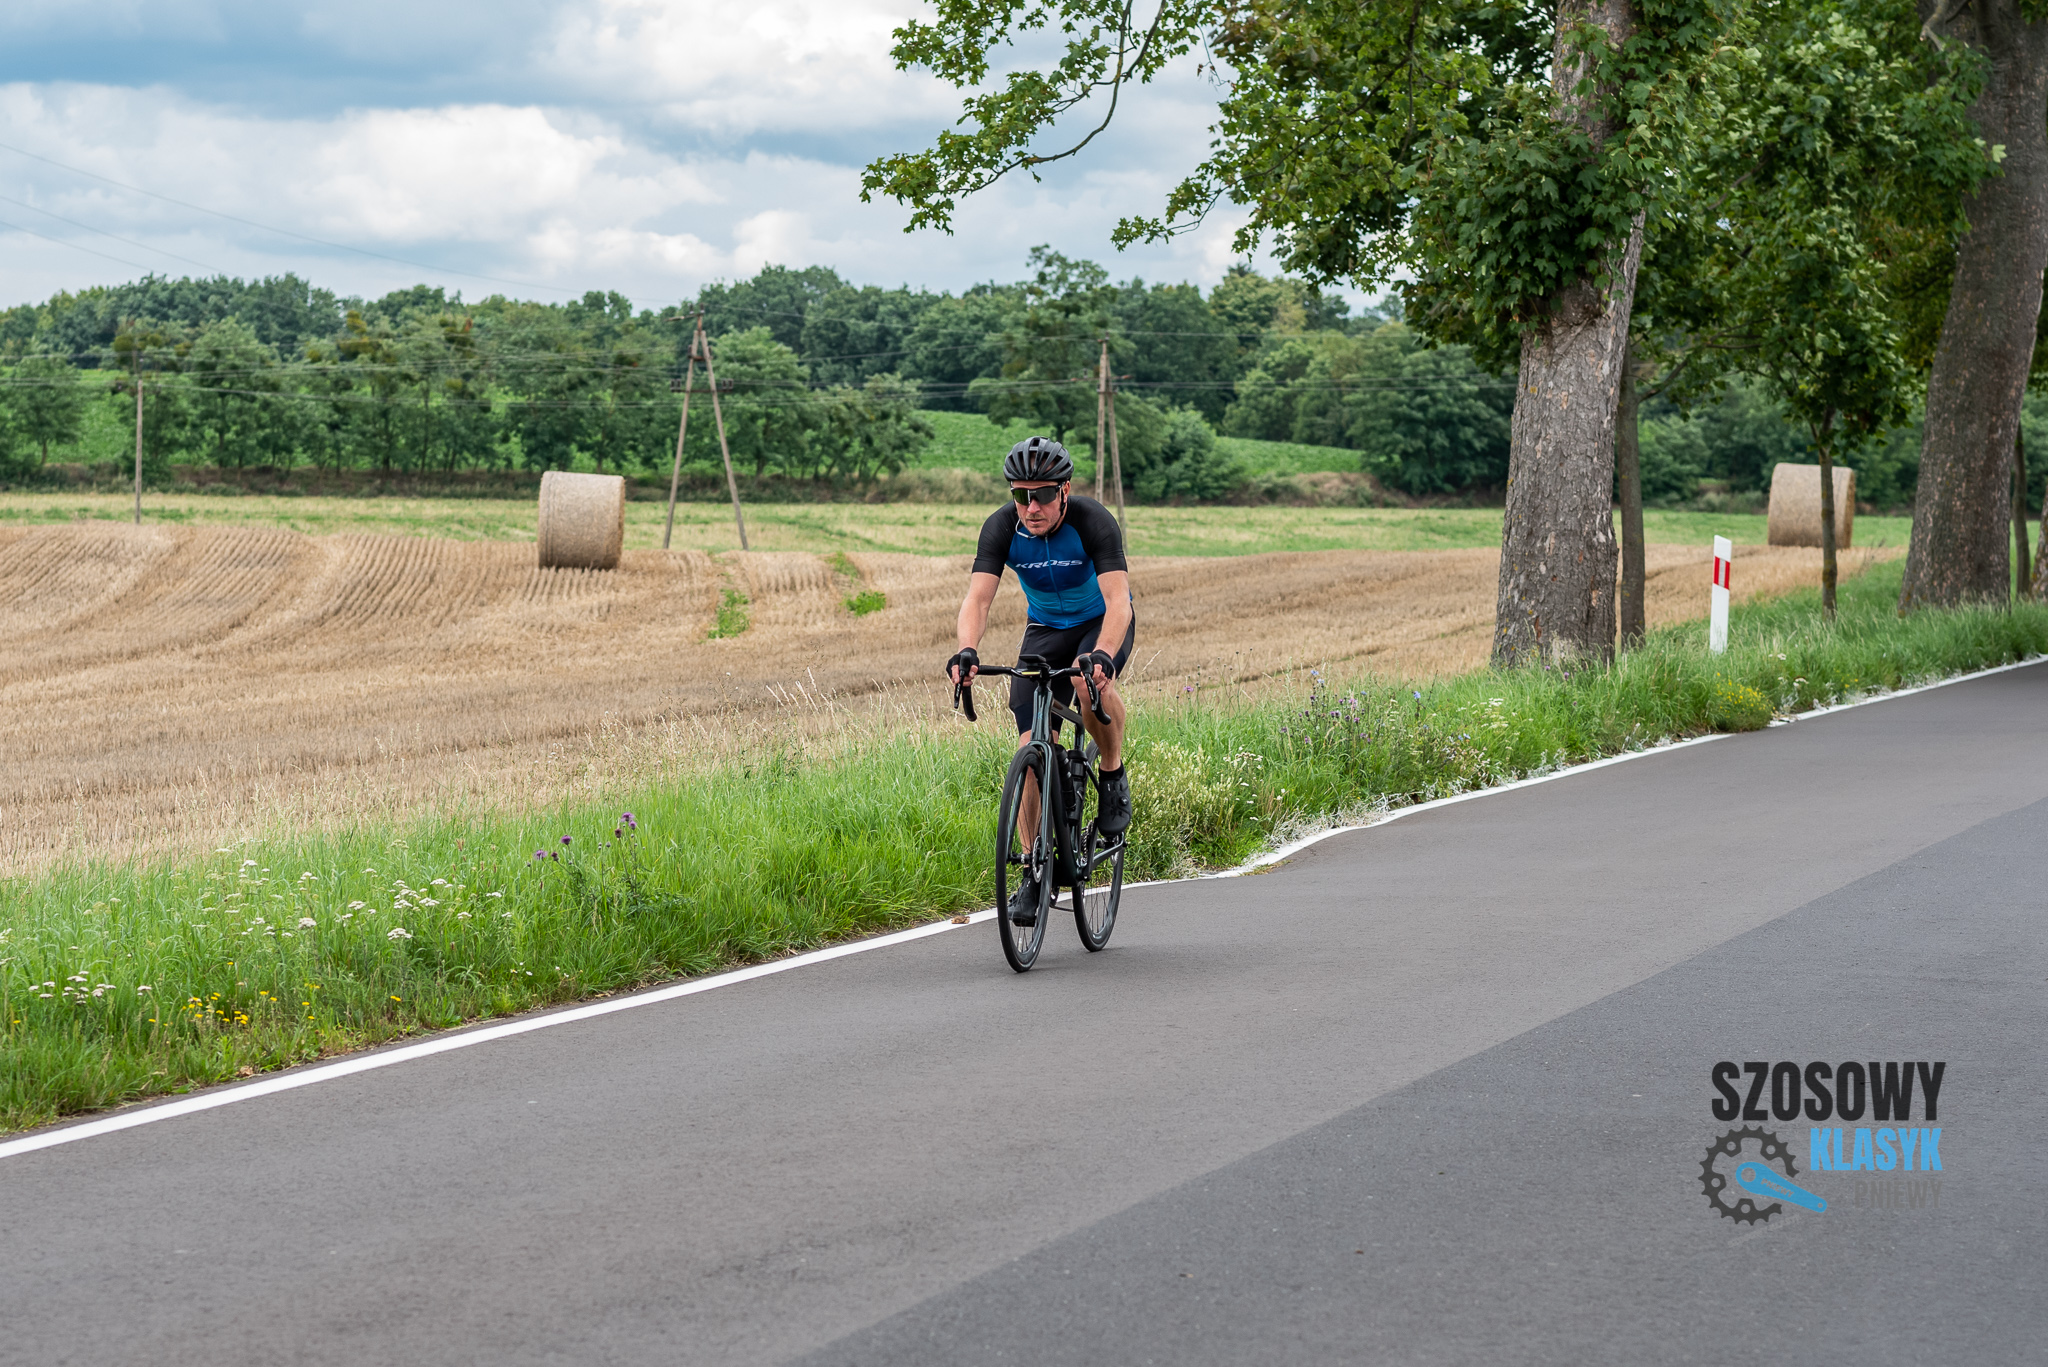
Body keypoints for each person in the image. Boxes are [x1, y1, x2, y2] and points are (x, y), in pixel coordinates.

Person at [947, 436, 1133, 924]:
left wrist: (1103, 655)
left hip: (1098, 624)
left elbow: (1119, 602)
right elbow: (978, 599)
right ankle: (1033, 870)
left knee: (1089, 686)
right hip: (1046, 629)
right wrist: (967, 649)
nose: (1032, 507)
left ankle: (1111, 771)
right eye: (1021, 495)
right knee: (1031, 748)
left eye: (1043, 495)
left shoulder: (1093, 521)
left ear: (1064, 490)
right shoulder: (1001, 527)